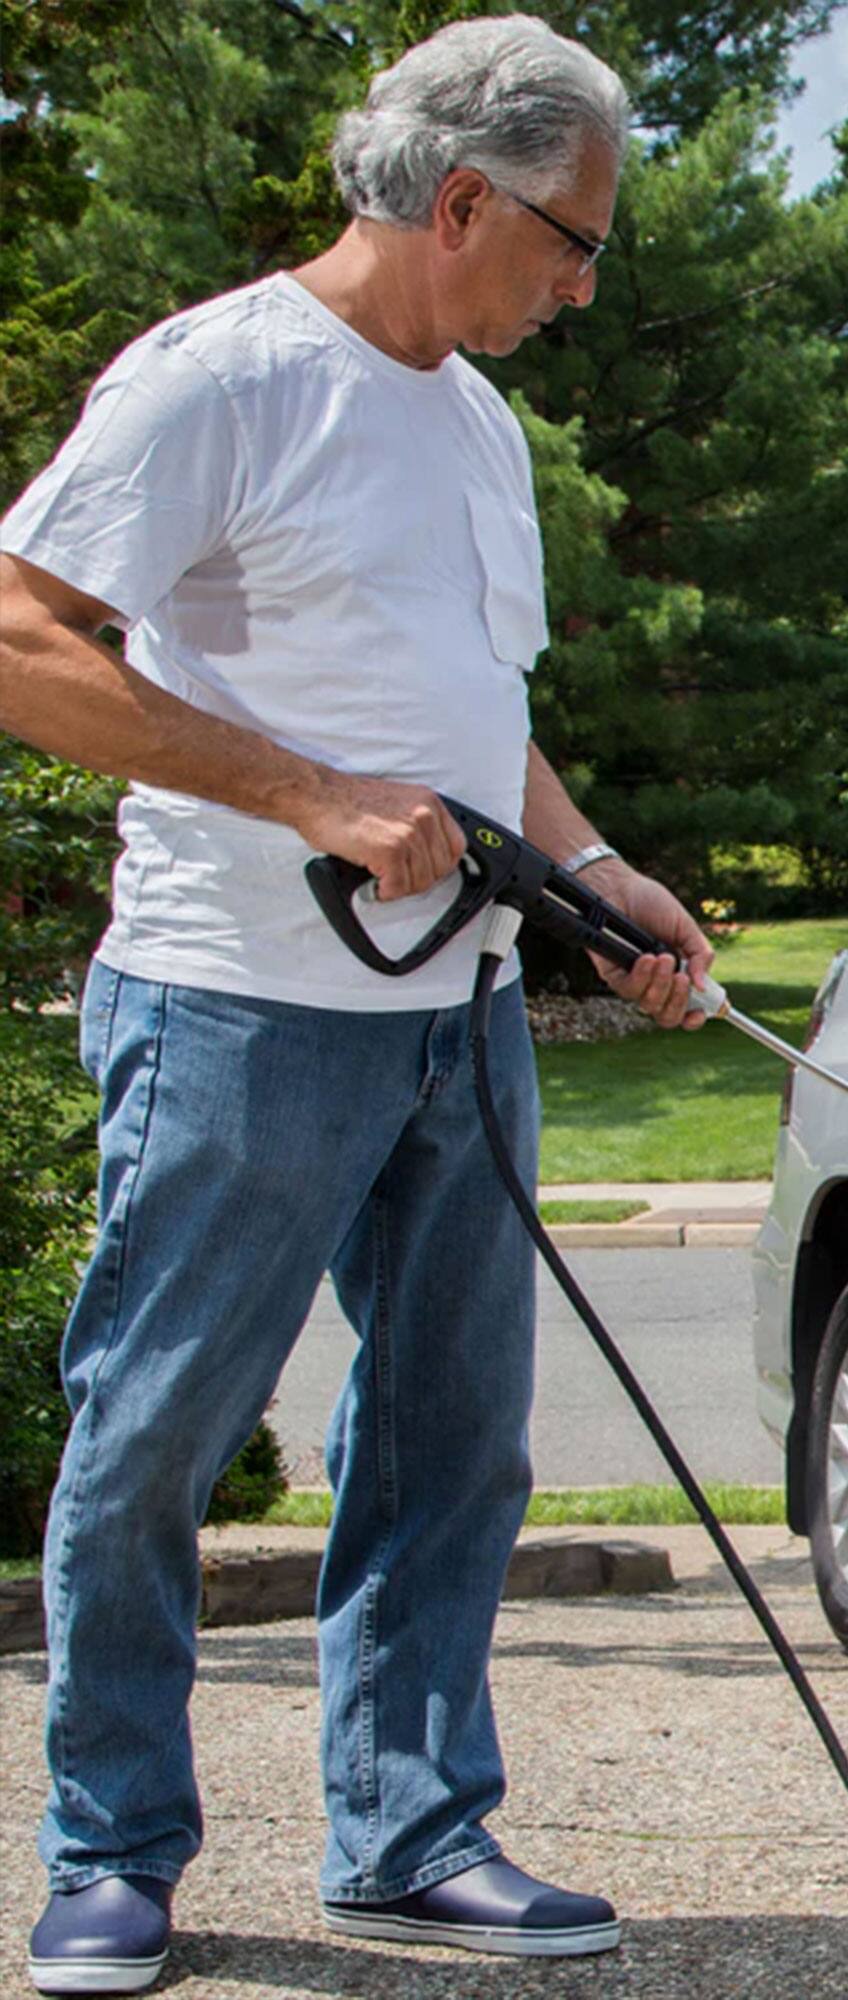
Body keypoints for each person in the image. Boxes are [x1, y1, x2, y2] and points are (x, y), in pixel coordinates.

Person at [0, 17, 712, 1994]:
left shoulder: (478, 428)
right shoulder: (224, 380)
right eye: (574, 244)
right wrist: (308, 798)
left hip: (459, 1015)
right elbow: (21, 638)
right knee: (159, 1430)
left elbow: (478, 732)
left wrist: (593, 876)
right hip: (240, 1007)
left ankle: (408, 1833)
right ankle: (112, 1854)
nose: (583, 287)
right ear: (461, 199)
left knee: (453, 1437)